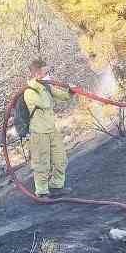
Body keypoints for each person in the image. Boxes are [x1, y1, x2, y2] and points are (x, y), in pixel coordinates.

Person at [21, 58, 73, 198]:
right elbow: (44, 103)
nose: (48, 75)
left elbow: (63, 96)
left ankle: (57, 185)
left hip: (51, 129)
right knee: (41, 163)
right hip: (39, 132)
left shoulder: (46, 86)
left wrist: (71, 91)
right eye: (45, 72)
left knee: (60, 158)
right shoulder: (30, 91)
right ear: (37, 74)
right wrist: (43, 85)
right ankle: (42, 191)